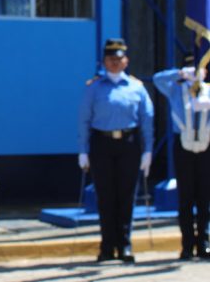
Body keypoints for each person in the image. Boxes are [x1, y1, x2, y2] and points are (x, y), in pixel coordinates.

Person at [77, 38, 154, 263]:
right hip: (102, 144)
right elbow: (84, 119)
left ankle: (125, 245)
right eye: (111, 59)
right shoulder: (94, 88)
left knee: (126, 196)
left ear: (126, 61)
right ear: (104, 61)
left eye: (119, 59)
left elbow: (147, 120)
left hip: (128, 144)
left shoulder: (136, 87)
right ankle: (107, 246)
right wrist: (83, 150)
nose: (114, 63)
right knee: (106, 196)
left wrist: (147, 151)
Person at [153, 57, 210, 260]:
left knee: (205, 198)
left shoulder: (208, 89)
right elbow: (157, 79)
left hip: (206, 145)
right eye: (192, 69)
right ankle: (187, 245)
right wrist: (178, 73)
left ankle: (204, 243)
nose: (196, 72)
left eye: (200, 69)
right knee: (185, 198)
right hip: (183, 145)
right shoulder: (176, 90)